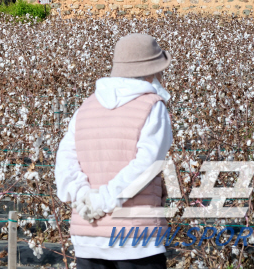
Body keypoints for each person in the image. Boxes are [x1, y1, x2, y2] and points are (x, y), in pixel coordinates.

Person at [55, 33, 173, 269]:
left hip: (88, 234)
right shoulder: (152, 107)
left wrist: (84, 198)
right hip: (137, 239)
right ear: (152, 70)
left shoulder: (86, 106)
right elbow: (147, 165)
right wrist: (104, 200)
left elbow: (65, 161)